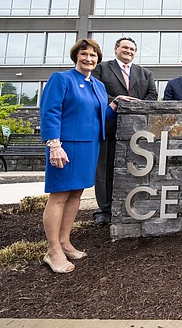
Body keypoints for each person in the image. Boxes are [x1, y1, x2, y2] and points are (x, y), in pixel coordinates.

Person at [40, 39, 121, 273]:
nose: (89, 59)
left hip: (89, 147)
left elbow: (101, 114)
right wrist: (54, 145)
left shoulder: (98, 85)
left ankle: (65, 242)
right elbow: (50, 112)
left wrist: (115, 103)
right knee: (59, 195)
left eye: (93, 55)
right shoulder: (61, 79)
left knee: (76, 195)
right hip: (66, 147)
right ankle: (53, 250)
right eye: (84, 54)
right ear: (76, 56)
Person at [91, 37, 157, 226]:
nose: (128, 51)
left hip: (137, 132)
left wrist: (137, 105)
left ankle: (133, 205)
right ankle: (105, 209)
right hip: (110, 127)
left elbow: (152, 95)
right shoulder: (101, 69)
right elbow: (96, 93)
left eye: (132, 49)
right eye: (125, 48)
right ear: (116, 49)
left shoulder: (145, 73)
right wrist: (119, 100)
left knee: (136, 170)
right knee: (105, 169)